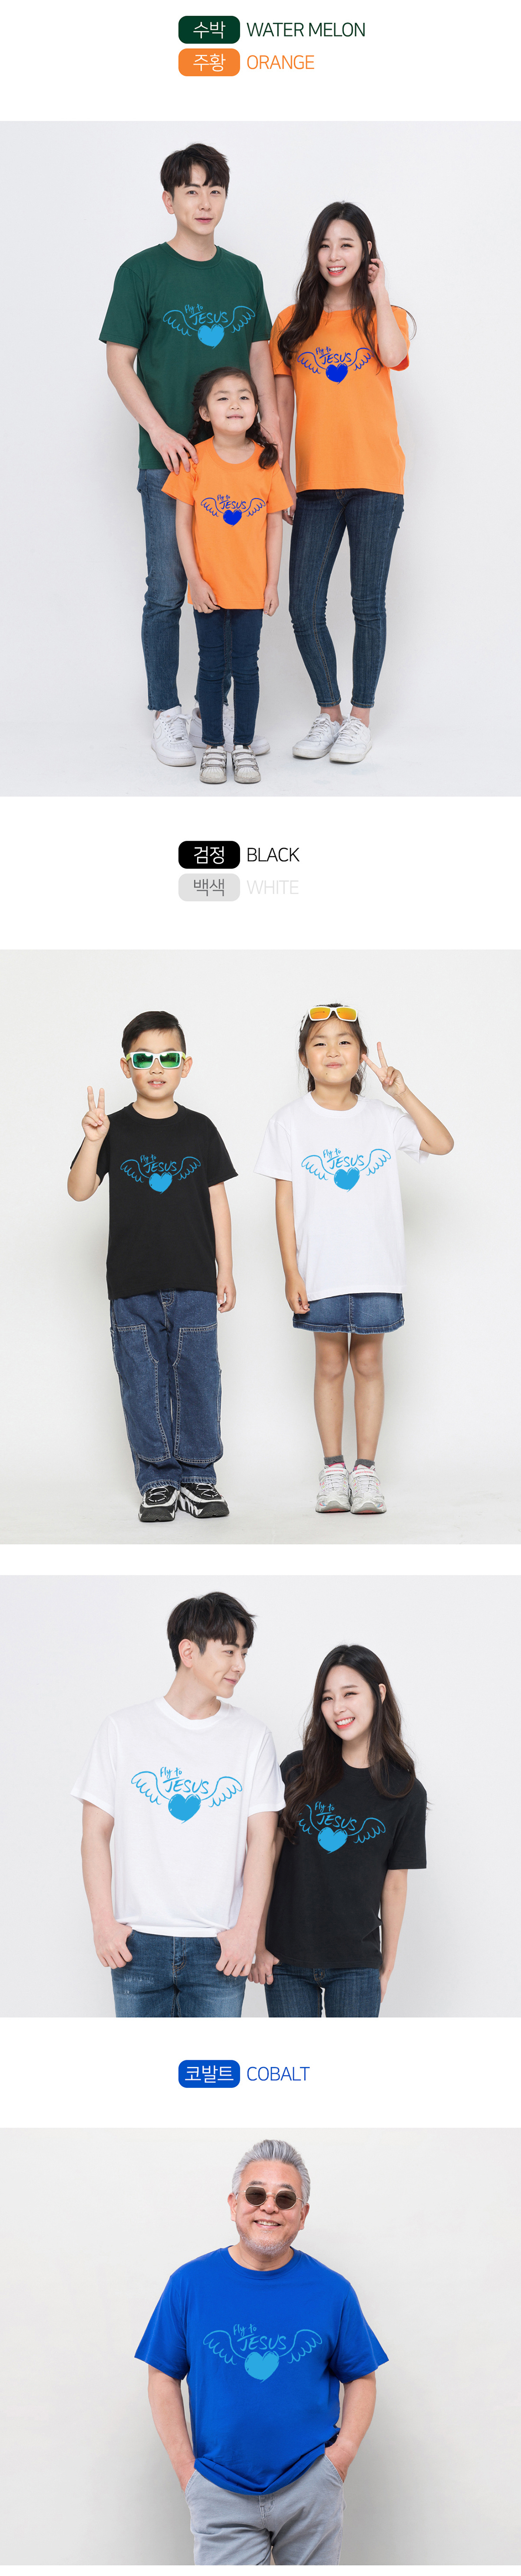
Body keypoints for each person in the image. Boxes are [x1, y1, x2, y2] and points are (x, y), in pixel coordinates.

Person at [100, 144, 280, 768]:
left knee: (231, 585)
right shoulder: (141, 272)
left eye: (215, 190)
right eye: (191, 191)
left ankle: (214, 708)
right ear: (169, 200)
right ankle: (165, 711)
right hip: (170, 461)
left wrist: (272, 439)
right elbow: (119, 362)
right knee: (168, 587)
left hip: (238, 462)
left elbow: (259, 359)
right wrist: (160, 431)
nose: (204, 202)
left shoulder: (245, 274)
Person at [136, 2136, 387, 2564]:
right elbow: (162, 2373)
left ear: (302, 2215)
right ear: (234, 2203)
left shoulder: (333, 2291)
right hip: (219, 2489)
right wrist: (186, 2470)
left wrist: (341, 2458)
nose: (269, 2206)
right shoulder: (190, 2284)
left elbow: (362, 2374)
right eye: (256, 2194)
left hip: (310, 2486)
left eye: (285, 2198)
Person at [254, 1004, 454, 1516]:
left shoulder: (383, 1119)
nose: (332, 1051)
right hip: (320, 1269)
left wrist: (401, 1092)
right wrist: (291, 1271)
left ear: (362, 1055)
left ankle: (365, 1472)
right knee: (328, 1364)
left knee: (368, 1363)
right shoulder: (289, 1122)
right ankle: (333, 1470)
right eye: (319, 1042)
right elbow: (283, 1203)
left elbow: (441, 1143)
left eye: (344, 1041)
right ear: (304, 1057)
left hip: (376, 1268)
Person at [72, 1592, 283, 2018]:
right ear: (188, 1651)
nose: (240, 1665)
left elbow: (263, 1841)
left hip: (219, 1946)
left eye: (244, 1652)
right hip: (137, 1945)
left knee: (211, 2064)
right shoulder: (123, 1730)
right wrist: (103, 1923)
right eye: (229, 1651)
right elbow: (94, 1833)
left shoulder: (252, 1737)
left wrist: (246, 1931)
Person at [67, 1008, 236, 1523]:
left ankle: (199, 1475)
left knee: (198, 1379)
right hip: (132, 1284)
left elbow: (218, 1202)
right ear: (127, 1067)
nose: (156, 1066)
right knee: (143, 1381)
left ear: (186, 1064)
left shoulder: (200, 1129)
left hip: (195, 1283)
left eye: (167, 1057)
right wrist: (93, 1140)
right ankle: (158, 1479)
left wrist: (225, 1270)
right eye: (143, 1058)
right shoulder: (113, 1129)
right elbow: (79, 1191)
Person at [269, 200, 412, 765]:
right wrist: (281, 477)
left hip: (376, 480)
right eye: (325, 245)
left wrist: (378, 293)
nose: (334, 255)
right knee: (303, 606)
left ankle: (359, 718)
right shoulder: (291, 322)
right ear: (315, 252)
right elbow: (281, 408)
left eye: (346, 244)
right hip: (315, 485)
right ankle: (328, 714)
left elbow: (394, 356)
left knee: (366, 603)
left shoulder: (386, 314)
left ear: (366, 252)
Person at [250, 1643, 427, 2018]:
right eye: (328, 1698)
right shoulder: (296, 1772)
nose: (338, 1708)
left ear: (379, 1693)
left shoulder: (405, 1791)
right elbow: (266, 1857)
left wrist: (387, 1966)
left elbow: (395, 1884)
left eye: (350, 1694)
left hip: (356, 1964)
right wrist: (259, 1942)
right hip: (284, 1960)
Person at [169, 366, 290, 786]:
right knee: (211, 666)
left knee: (247, 668)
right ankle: (214, 747)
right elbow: (182, 525)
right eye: (223, 397)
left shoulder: (267, 463)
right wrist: (195, 579)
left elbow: (274, 528)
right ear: (205, 412)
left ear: (256, 409)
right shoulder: (193, 460)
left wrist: (272, 583)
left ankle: (243, 746)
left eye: (244, 397)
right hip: (208, 588)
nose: (235, 404)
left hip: (251, 588)